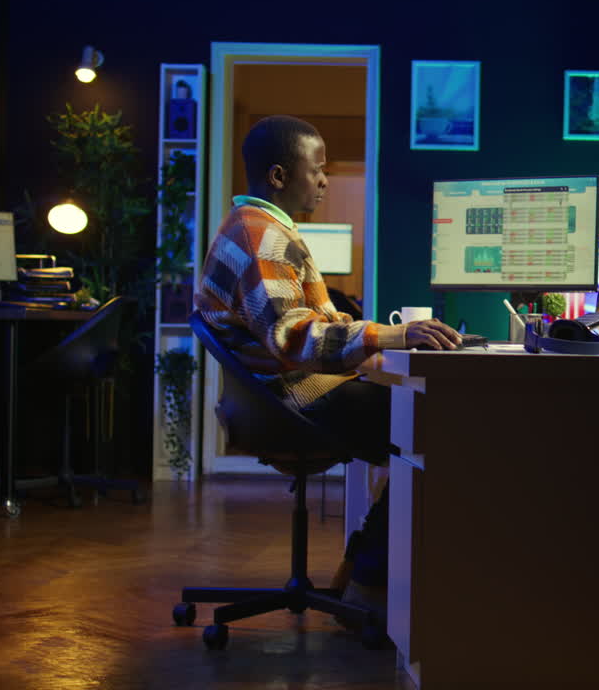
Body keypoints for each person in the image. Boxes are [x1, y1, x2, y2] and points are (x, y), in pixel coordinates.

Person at [194, 114, 461, 619]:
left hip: (272, 396)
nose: (323, 180)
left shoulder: (256, 227)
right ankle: (370, 583)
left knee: (413, 419)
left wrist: (373, 340)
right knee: (435, 423)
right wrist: (394, 334)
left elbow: (306, 320)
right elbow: (294, 335)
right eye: (316, 169)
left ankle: (363, 576)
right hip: (291, 397)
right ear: (278, 176)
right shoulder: (263, 237)